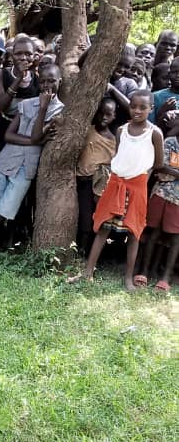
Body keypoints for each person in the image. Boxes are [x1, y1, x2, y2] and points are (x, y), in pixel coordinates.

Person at [0, 63, 64, 262]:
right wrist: (35, 141)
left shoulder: (60, 111)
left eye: (51, 80)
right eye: (42, 81)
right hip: (6, 159)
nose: (47, 85)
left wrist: (43, 109)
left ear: (60, 81)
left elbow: (35, 135)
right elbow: (10, 136)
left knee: (6, 209)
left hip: (27, 167)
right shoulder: (25, 104)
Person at [69, 91, 164, 290]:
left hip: (137, 186)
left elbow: (157, 163)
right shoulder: (121, 130)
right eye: (133, 106)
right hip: (115, 184)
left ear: (151, 109)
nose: (137, 111)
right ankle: (88, 272)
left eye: (142, 107)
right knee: (104, 226)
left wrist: (141, 177)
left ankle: (128, 279)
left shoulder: (154, 133)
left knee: (134, 231)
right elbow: (119, 155)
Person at [137, 111, 179, 293]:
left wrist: (171, 173)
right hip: (161, 194)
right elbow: (159, 166)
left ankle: (165, 277)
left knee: (175, 238)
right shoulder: (170, 142)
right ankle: (144, 271)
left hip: (177, 200)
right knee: (153, 232)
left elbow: (166, 170)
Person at [75, 97, 117, 254]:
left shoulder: (114, 140)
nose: (104, 117)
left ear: (114, 116)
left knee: (94, 218)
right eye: (101, 113)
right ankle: (80, 248)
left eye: (108, 114)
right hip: (82, 180)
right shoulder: (88, 130)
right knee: (83, 215)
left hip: (99, 184)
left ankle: (85, 250)